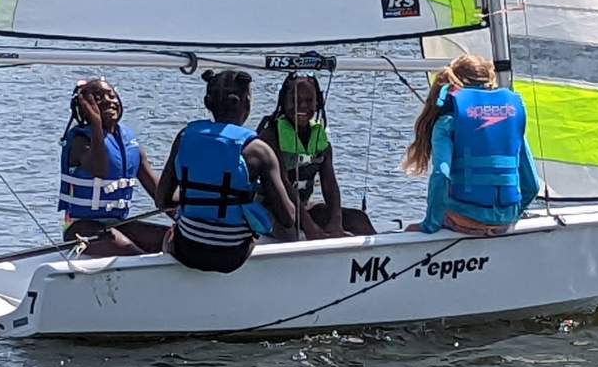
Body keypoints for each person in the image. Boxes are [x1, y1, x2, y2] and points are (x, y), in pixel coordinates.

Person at [155, 70, 296, 273]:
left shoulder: (185, 137)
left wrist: (196, 199)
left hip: (186, 250)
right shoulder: (259, 150)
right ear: (247, 102)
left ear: (207, 103)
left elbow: (162, 201)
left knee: (172, 234)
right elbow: (288, 218)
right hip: (232, 256)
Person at [402, 55, 540, 236]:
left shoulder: (447, 122)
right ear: (491, 82)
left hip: (464, 221)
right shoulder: (511, 117)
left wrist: (430, 225)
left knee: (409, 229)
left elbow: (441, 175)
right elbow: (532, 186)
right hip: (506, 221)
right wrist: (511, 215)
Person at [255, 73, 376, 241]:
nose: (302, 106)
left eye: (309, 100)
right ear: (284, 102)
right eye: (295, 100)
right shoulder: (270, 136)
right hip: (273, 209)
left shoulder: (319, 138)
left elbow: (329, 183)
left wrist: (336, 222)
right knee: (291, 232)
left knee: (358, 220)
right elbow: (283, 184)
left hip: (302, 207)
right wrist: (310, 227)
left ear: (319, 102)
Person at [58, 79, 167, 256]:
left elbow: (160, 193)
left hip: (117, 223)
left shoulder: (130, 142)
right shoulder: (80, 141)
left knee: (173, 240)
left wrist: (187, 223)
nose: (108, 100)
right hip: (81, 228)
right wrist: (96, 124)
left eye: (112, 95)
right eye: (98, 98)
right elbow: (101, 169)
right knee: (132, 253)